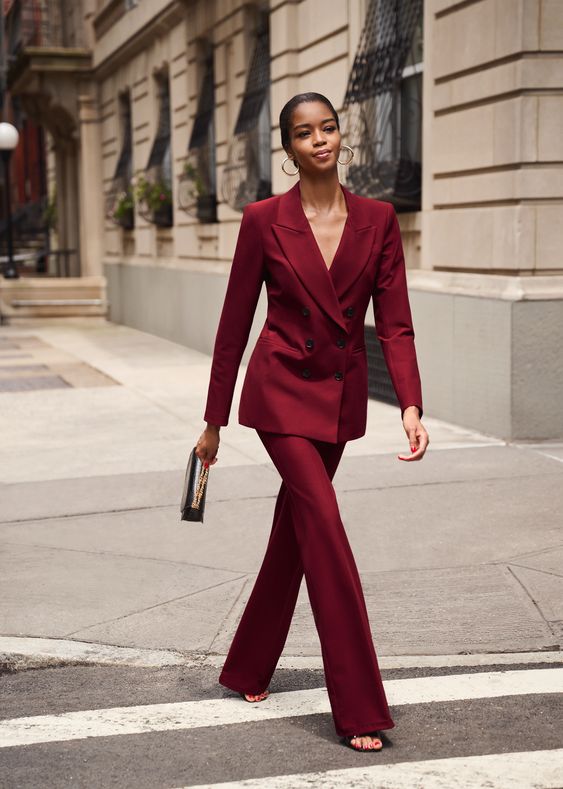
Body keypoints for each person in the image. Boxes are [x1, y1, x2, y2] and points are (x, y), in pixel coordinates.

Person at [195, 91, 429, 751]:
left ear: (338, 137)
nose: (320, 139)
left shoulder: (378, 219)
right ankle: (358, 705)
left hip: (337, 399)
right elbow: (233, 323)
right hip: (279, 396)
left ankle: (245, 666)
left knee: (294, 533)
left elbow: (397, 322)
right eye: (305, 132)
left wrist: (409, 403)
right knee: (324, 530)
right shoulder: (263, 219)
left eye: (328, 128)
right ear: (289, 147)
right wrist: (213, 419)